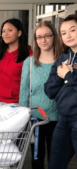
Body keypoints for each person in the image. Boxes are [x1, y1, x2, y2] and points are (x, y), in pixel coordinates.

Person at [19, 21, 63, 169]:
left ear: (54, 37)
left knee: (55, 158)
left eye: (47, 36)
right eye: (39, 37)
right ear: (35, 40)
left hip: (59, 118)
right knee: (37, 158)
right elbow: (24, 90)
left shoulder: (64, 61)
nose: (43, 40)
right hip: (36, 118)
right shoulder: (30, 63)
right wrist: (23, 116)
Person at [44, 14, 77, 169]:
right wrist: (60, 75)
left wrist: (68, 76)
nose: (68, 36)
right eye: (63, 33)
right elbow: (49, 90)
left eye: (73, 30)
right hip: (63, 121)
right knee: (55, 165)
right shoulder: (62, 59)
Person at [0, 18, 32, 103]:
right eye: (3, 31)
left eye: (10, 30)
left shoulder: (28, 54)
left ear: (19, 33)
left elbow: (30, 81)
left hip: (16, 102)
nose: (5, 34)